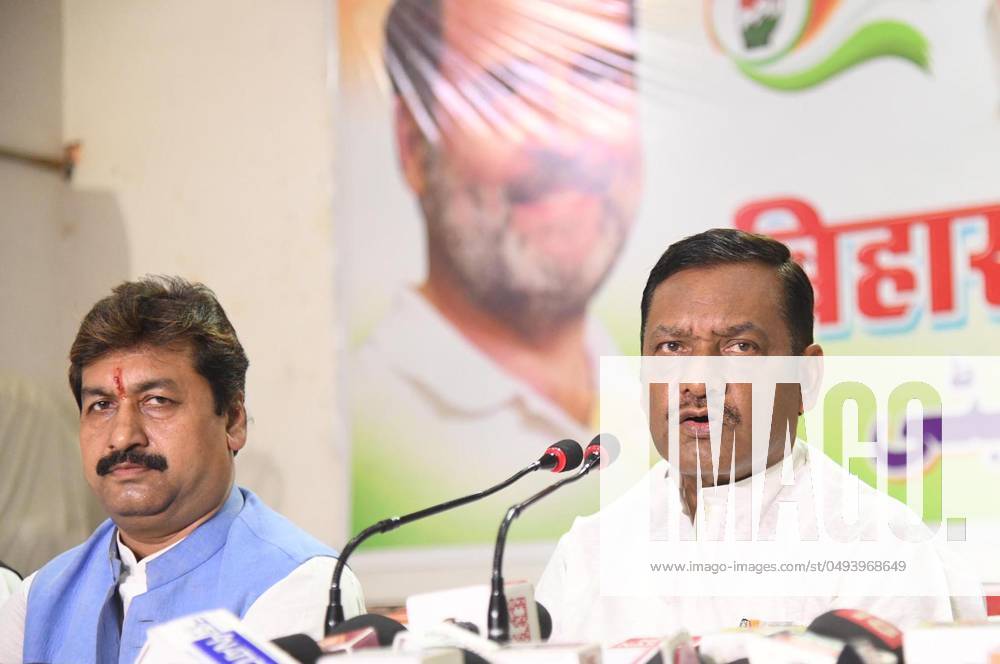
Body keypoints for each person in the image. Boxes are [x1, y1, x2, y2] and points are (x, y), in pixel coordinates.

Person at [536, 229, 985, 643]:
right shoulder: (590, 550)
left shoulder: (883, 549)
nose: (697, 383)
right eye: (671, 348)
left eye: (739, 348)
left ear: (806, 378)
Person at [351, 0, 642, 551]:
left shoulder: (661, 392)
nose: (564, 140)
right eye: (505, 92)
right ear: (414, 145)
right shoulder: (376, 418)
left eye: (599, 77)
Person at [0, 277, 364, 663]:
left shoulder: (299, 586)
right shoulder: (39, 597)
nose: (123, 437)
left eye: (157, 400)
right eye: (101, 406)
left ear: (233, 422)